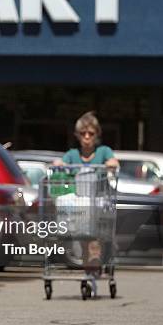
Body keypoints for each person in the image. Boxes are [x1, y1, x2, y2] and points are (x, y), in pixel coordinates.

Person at [54, 111, 118, 273]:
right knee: (83, 237)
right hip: (80, 206)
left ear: (97, 135)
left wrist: (111, 164)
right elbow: (60, 162)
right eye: (83, 133)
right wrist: (58, 164)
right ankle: (89, 270)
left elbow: (113, 162)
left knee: (94, 237)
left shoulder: (103, 151)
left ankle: (95, 262)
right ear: (78, 135)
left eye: (91, 133)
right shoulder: (73, 155)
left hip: (98, 203)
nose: (87, 137)